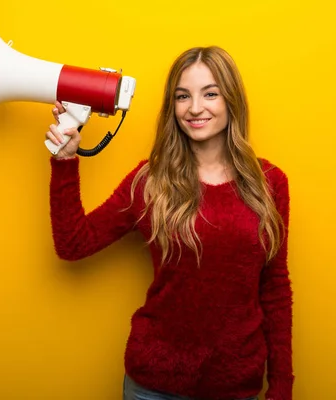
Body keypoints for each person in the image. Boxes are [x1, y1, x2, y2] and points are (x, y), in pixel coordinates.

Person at [45, 46, 293, 400]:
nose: (194, 108)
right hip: (154, 386)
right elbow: (73, 244)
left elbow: (275, 288)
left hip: (235, 386)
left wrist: (282, 385)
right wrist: (66, 162)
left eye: (210, 93)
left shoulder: (271, 183)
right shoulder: (150, 181)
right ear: (171, 107)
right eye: (182, 96)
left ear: (232, 100)